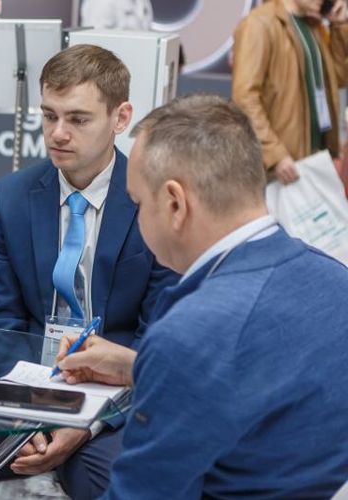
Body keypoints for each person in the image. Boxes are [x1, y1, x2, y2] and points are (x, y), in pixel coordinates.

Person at [0, 44, 177, 500]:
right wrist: (24, 414)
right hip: (25, 382)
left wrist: (89, 423)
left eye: (78, 119)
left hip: (115, 393)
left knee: (109, 478)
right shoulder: (11, 197)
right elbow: (0, 320)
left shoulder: (155, 200)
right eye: (49, 116)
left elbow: (159, 335)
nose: (58, 133)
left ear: (120, 118)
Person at [56, 94, 348, 497]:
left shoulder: (189, 333)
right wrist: (139, 368)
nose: (138, 218)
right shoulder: (334, 280)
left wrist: (163, 361)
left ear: (175, 204)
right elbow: (264, 386)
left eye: (138, 203)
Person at [233, 0, 348, 184]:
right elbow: (245, 98)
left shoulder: (314, 25)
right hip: (284, 164)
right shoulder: (259, 23)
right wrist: (274, 153)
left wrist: (339, 26)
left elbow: (338, 79)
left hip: (315, 157)